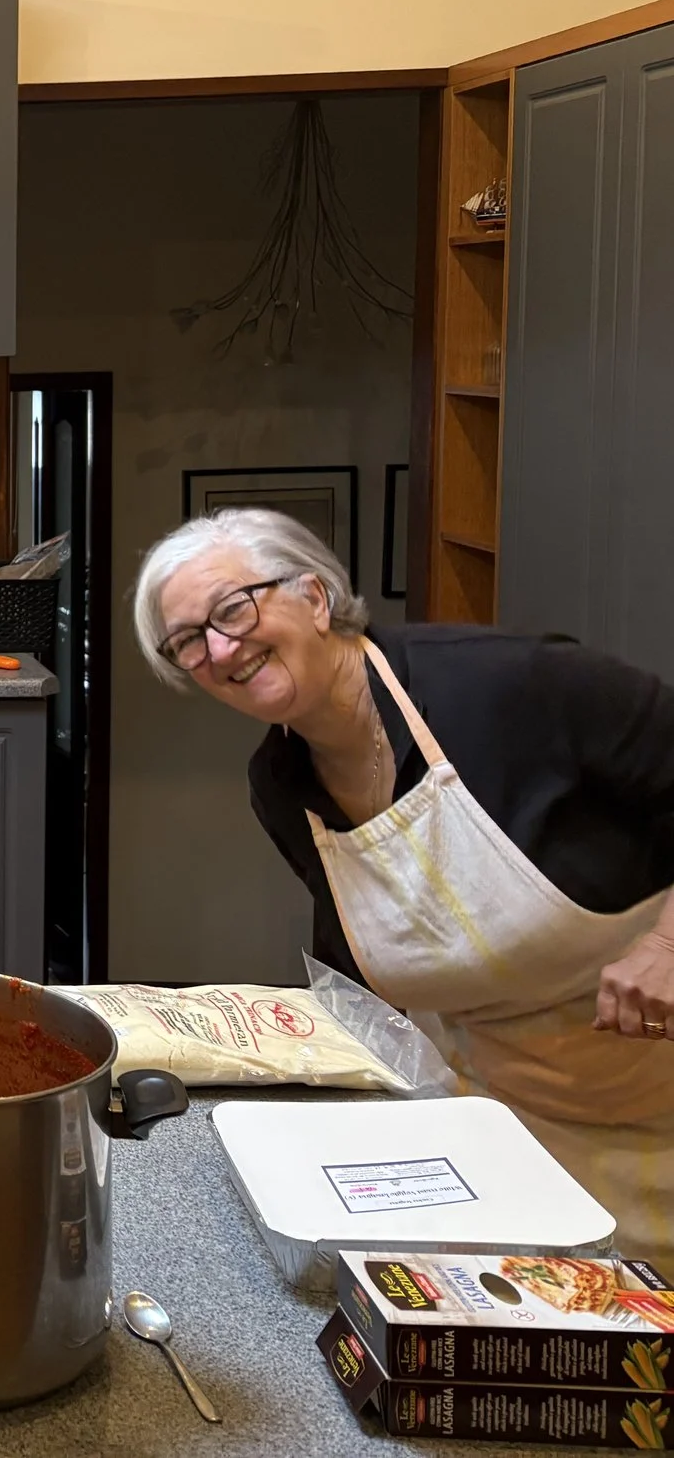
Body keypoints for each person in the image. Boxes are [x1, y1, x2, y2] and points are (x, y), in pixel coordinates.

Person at [136, 505, 674, 1256]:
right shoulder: (282, 784)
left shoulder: (511, 685)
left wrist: (668, 944)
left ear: (315, 596)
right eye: (188, 641)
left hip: (656, 1111)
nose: (222, 648)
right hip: (504, 1138)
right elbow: (361, 976)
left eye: (233, 608)